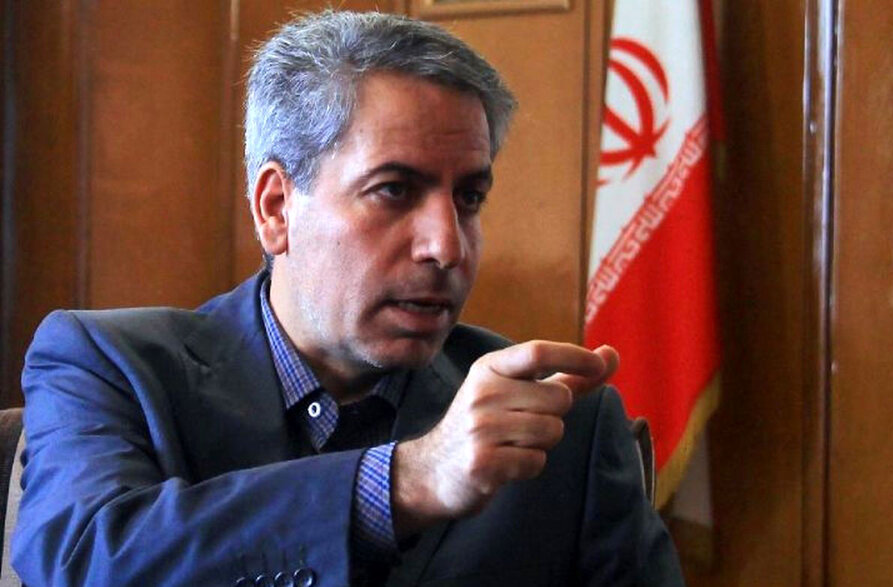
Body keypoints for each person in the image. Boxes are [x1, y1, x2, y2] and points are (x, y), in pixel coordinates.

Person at [13, 11, 683, 587]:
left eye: (469, 197)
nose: (446, 246)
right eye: (394, 190)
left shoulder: (563, 426)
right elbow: (79, 563)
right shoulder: (109, 366)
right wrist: (399, 485)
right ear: (276, 208)